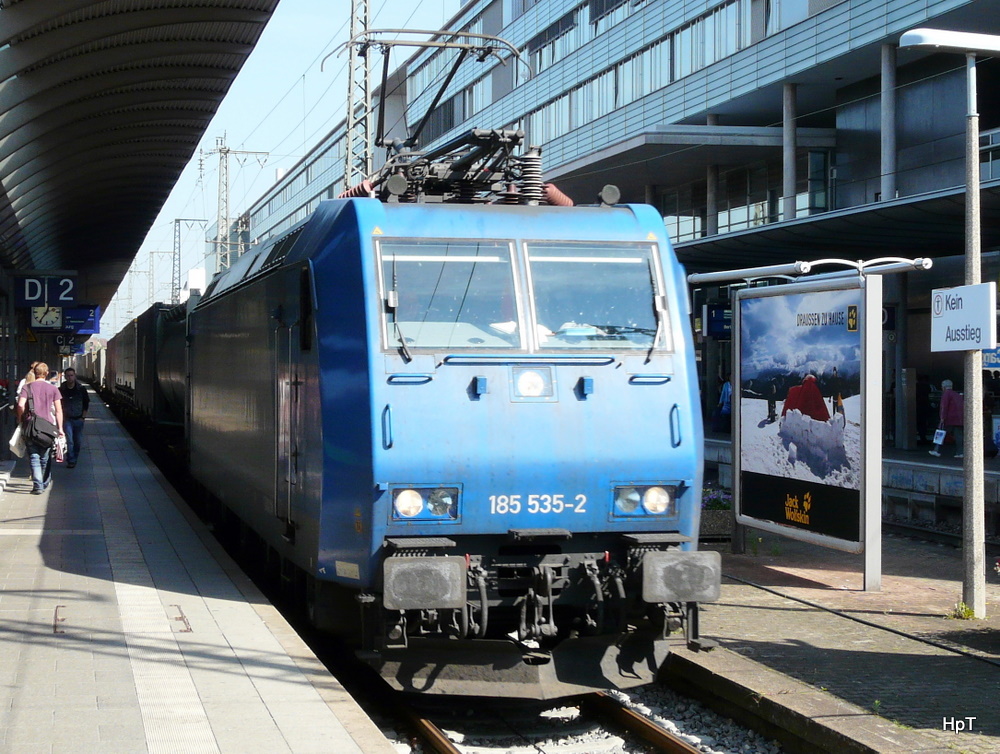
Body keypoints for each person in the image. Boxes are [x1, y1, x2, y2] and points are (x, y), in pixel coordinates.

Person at [16, 362, 64, 494]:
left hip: (30, 426)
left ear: (35, 373)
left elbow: (20, 405)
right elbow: (59, 411)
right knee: (44, 457)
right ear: (47, 373)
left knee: (33, 457)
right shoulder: (53, 389)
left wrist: (21, 418)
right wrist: (60, 429)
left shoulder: (27, 387)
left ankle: (38, 485)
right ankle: (41, 482)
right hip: (48, 428)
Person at [59, 367, 89, 468]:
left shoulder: (81, 389)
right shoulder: (61, 390)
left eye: (72, 375)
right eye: (68, 376)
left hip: (78, 419)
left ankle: (74, 457)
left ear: (75, 376)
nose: (70, 378)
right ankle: (71, 459)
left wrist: (83, 417)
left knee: (78, 441)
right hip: (67, 419)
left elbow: (86, 403)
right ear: (65, 377)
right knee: (69, 440)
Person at [929, 379, 963, 458]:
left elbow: (944, 406)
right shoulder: (957, 394)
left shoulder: (946, 394)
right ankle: (960, 452)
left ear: (943, 387)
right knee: (958, 436)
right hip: (958, 418)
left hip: (948, 418)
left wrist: (942, 417)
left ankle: (936, 450)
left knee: (940, 433)